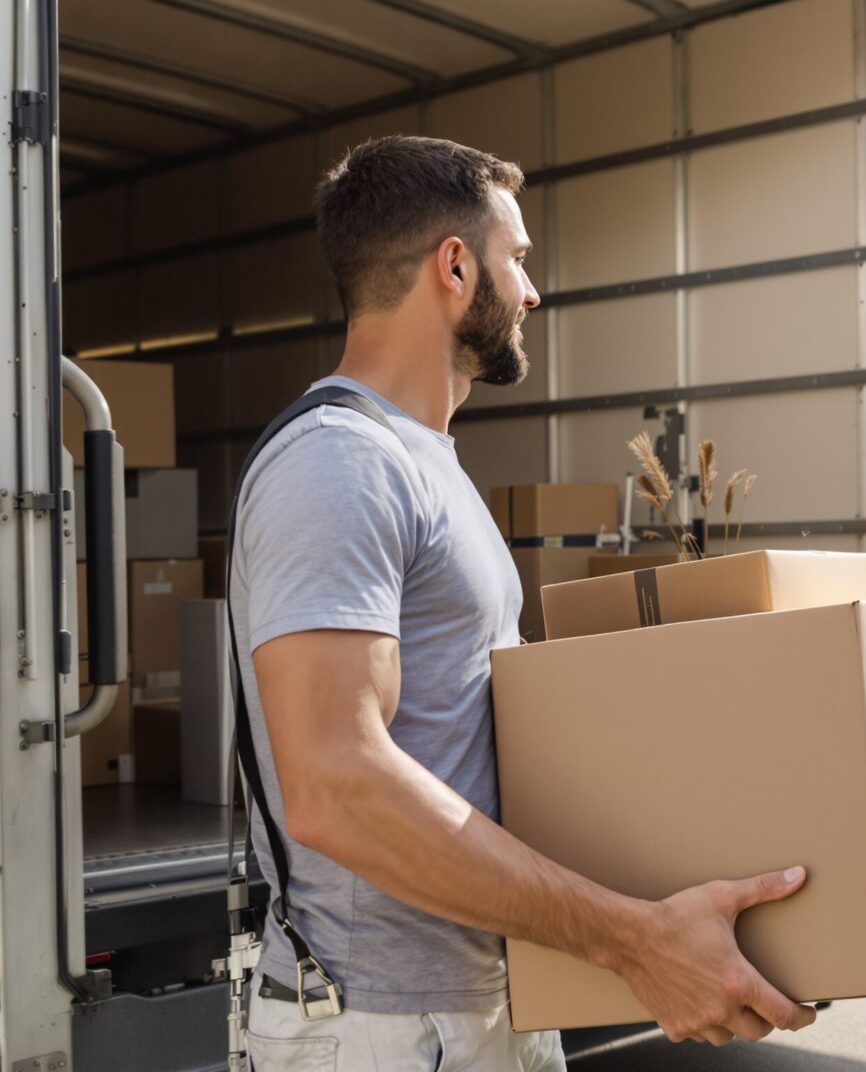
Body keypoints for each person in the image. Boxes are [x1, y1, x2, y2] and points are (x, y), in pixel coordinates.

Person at [233, 135, 815, 1069]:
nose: (533, 292)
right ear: (455, 267)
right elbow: (336, 787)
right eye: (519, 259)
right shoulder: (339, 462)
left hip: (478, 1005)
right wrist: (632, 938)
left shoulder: (424, 461)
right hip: (382, 1029)